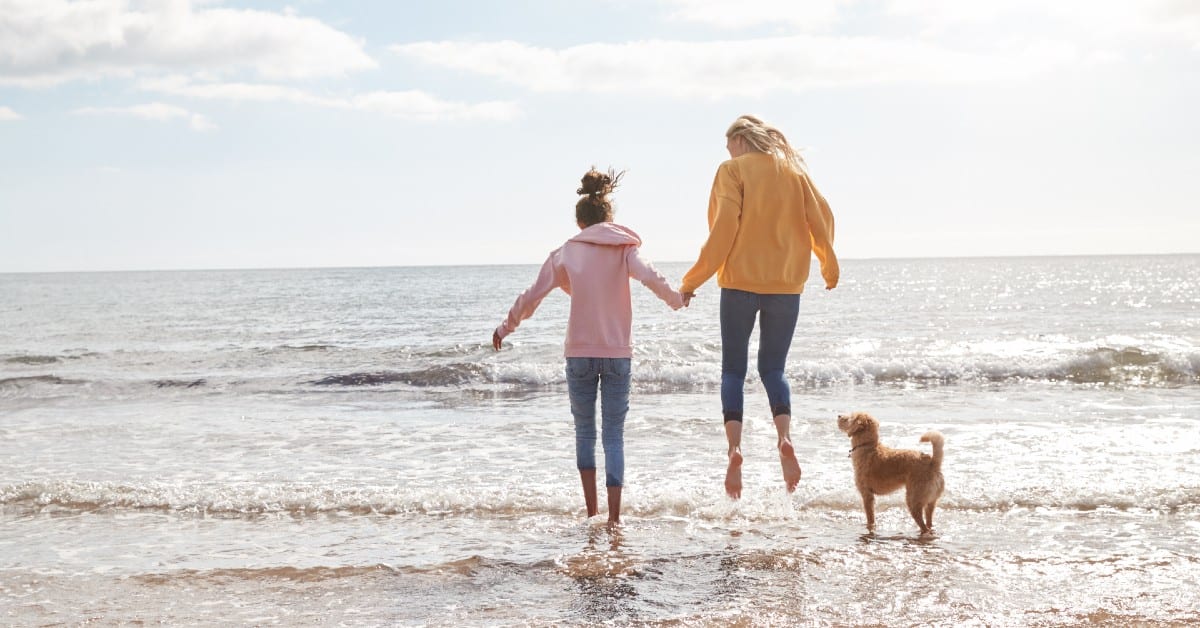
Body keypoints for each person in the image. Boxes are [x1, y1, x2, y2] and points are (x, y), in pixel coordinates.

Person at [493, 167, 684, 526]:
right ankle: (614, 520)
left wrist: (506, 327)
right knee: (613, 436)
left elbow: (531, 297)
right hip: (617, 355)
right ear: (608, 217)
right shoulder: (625, 249)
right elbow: (650, 276)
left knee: (585, 433)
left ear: (580, 222)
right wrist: (677, 299)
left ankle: (591, 514)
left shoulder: (566, 252)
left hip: (579, 354)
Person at [679, 115, 839, 499]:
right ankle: (784, 438)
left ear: (739, 140)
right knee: (774, 369)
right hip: (786, 286)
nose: (728, 151)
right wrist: (828, 266)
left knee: (733, 371)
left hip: (739, 284)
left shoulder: (732, 170)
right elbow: (823, 218)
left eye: (729, 144)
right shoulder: (793, 173)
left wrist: (692, 281)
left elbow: (723, 230)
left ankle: (734, 451)